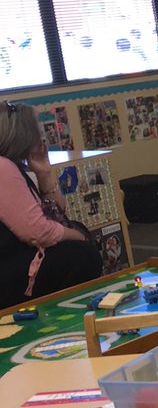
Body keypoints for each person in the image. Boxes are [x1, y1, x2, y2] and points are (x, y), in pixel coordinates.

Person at [0, 100, 101, 307]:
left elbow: (56, 215)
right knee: (82, 254)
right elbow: (38, 232)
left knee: (77, 235)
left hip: (15, 257)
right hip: (7, 267)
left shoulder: (12, 166)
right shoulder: (3, 168)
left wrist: (45, 176)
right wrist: (80, 237)